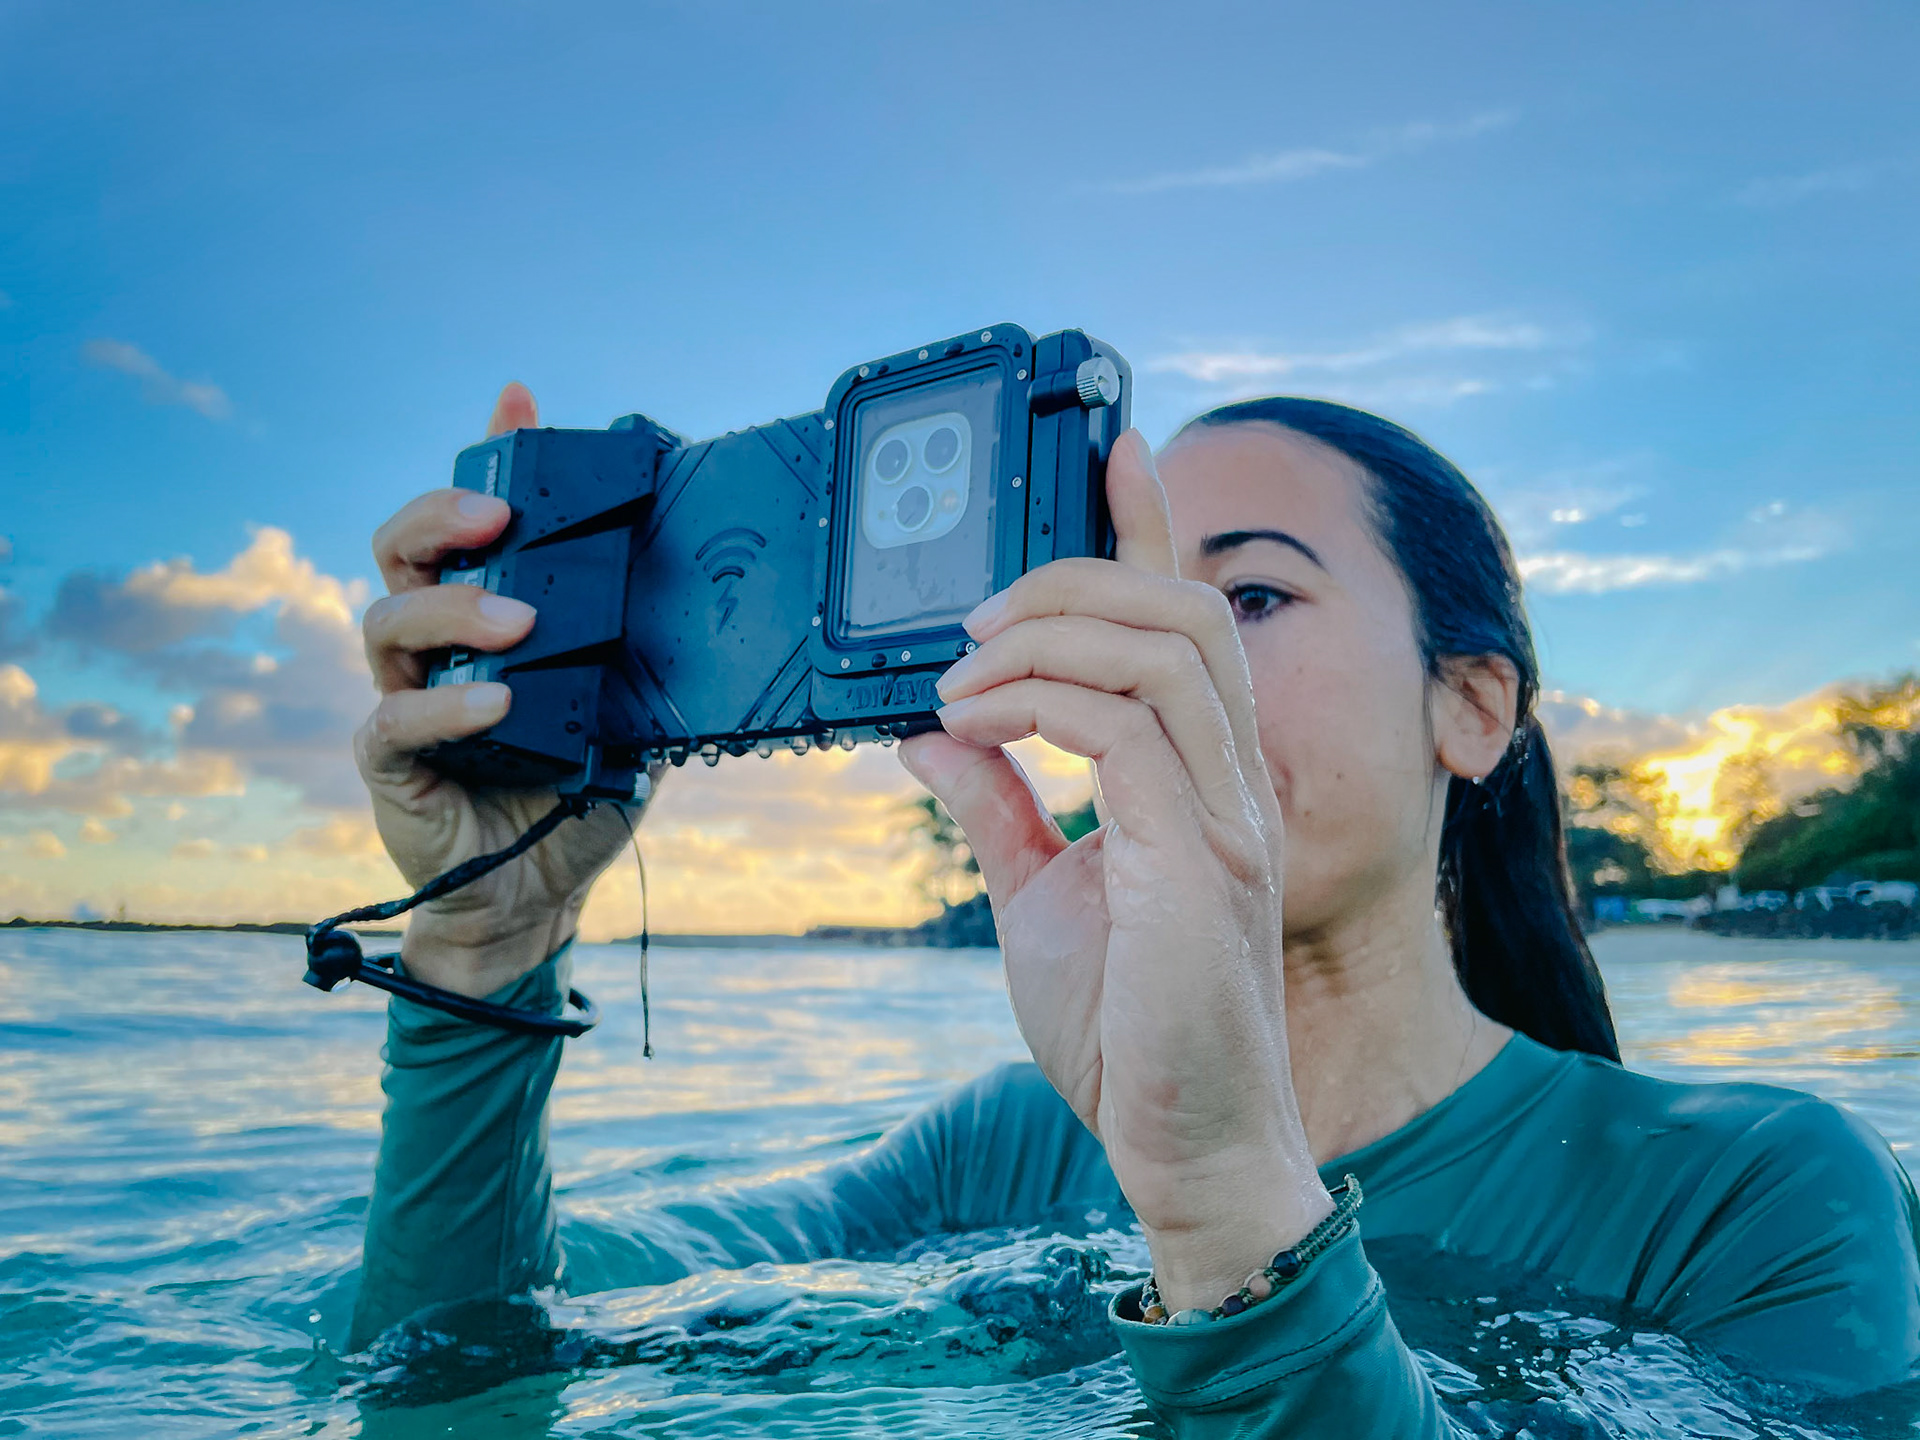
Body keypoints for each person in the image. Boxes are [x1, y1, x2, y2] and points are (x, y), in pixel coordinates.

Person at [349, 381, 1920, 1434]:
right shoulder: (998, 1152)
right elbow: (455, 1368)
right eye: (1120, 596)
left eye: (1245, 597)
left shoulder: (1755, 1196)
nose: (1164, 665)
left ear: (1472, 706)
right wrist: (483, 948)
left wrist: (1222, 1187)